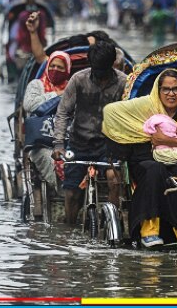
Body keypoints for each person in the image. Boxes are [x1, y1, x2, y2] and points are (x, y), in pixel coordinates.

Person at [102, 69, 177, 247]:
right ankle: (148, 230)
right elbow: (111, 112)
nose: (171, 94)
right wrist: (145, 134)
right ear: (158, 91)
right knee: (155, 170)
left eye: (176, 89)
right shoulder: (145, 106)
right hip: (144, 159)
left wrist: (166, 140)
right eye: (166, 89)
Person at [52, 39, 126, 225]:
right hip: (78, 142)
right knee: (71, 192)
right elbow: (62, 112)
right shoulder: (79, 79)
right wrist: (59, 144)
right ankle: (69, 228)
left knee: (114, 179)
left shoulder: (124, 83)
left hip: (108, 145)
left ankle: (112, 224)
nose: (100, 77)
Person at [22, 50, 72, 194]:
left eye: (60, 67)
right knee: (48, 159)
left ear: (67, 70)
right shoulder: (37, 85)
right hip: (41, 140)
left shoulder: (72, 86)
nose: (55, 70)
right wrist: (56, 95)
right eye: (52, 66)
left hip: (67, 138)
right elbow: (30, 104)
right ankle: (63, 193)